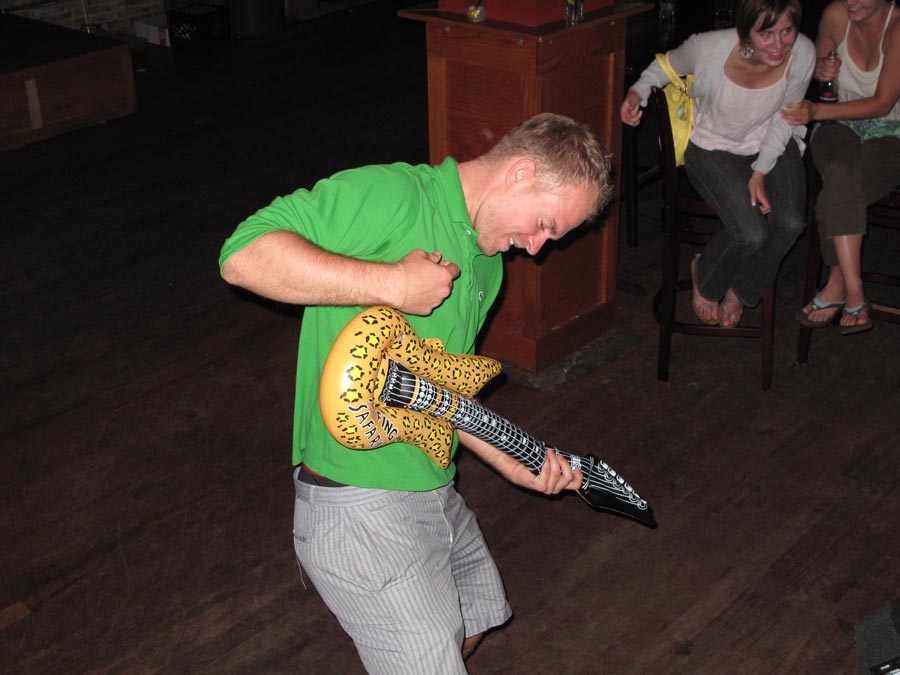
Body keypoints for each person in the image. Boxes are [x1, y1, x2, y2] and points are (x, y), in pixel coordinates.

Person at [218, 113, 613, 674]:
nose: (537, 247)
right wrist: (392, 285)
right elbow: (242, 257)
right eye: (544, 223)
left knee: (478, 614)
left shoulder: (487, 264)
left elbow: (438, 391)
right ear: (521, 172)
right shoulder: (394, 196)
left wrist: (510, 461)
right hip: (358, 502)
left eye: (553, 237)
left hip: (431, 488)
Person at [621, 0, 815, 328]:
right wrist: (636, 93)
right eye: (766, 34)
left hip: (772, 143)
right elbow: (664, 67)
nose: (779, 45)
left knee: (793, 222)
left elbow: (787, 118)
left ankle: (741, 289)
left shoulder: (804, 53)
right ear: (745, 30)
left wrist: (760, 171)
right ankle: (706, 273)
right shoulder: (708, 48)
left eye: (787, 31)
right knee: (750, 233)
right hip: (713, 147)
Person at [783, 0, 900, 335]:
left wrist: (817, 110)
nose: (852, 1)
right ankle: (856, 290)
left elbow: (882, 104)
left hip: (890, 130)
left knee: (839, 186)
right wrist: (819, 72)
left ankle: (836, 279)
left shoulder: (897, 29)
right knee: (840, 167)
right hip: (838, 126)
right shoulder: (837, 15)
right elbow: (813, 70)